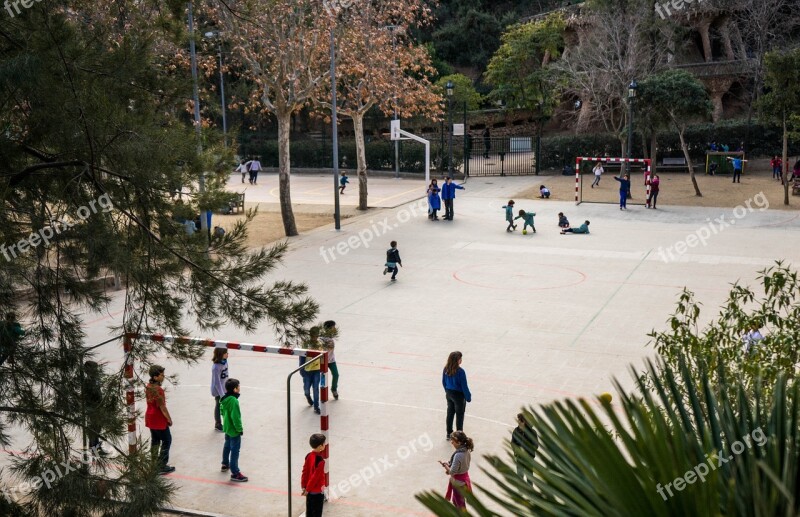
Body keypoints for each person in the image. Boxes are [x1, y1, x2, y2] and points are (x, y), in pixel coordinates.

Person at [145, 365, 175, 474]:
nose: (163, 377)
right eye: (161, 375)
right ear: (155, 377)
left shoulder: (148, 386)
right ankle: (162, 465)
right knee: (167, 440)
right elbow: (162, 407)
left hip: (150, 417)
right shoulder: (158, 390)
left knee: (155, 440)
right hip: (158, 418)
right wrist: (169, 419)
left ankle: (154, 463)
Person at [220, 378, 248, 482]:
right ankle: (235, 473)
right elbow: (236, 417)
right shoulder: (234, 401)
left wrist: (226, 422)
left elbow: (222, 411)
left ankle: (224, 464)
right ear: (235, 389)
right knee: (235, 451)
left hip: (227, 427)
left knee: (227, 446)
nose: (240, 388)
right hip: (233, 430)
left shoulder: (224, 398)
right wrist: (239, 429)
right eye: (239, 387)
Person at [439, 431, 473, 511]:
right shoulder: (467, 451)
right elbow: (460, 465)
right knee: (457, 501)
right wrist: (449, 464)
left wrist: (445, 465)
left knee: (459, 504)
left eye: (453, 441)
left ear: (459, 442)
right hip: (464, 480)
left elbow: (452, 472)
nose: (451, 443)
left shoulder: (458, 455)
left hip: (458, 483)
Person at [442, 351, 471, 441]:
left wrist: (447, 391)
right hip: (458, 396)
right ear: (457, 360)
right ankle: (459, 435)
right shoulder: (460, 372)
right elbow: (464, 386)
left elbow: (443, 382)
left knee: (450, 413)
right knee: (459, 415)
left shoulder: (446, 369)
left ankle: (449, 433)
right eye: (460, 359)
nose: (461, 360)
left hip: (449, 394)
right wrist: (468, 397)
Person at [83, 360, 109, 456]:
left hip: (98, 406)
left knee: (97, 427)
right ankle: (95, 448)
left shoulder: (95, 379)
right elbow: (88, 396)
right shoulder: (88, 381)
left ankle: (94, 445)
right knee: (94, 428)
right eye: (95, 369)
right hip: (92, 407)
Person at [301, 433, 327, 517]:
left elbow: (304, 472)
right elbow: (314, 478)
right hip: (317, 492)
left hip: (308, 491)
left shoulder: (308, 456)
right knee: (317, 513)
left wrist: (304, 487)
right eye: (324, 443)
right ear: (320, 446)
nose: (325, 445)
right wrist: (308, 489)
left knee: (309, 512)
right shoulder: (321, 461)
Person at [511, 413, 538, 485]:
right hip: (519, 458)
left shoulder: (532, 433)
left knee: (529, 478)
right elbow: (513, 443)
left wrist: (527, 451)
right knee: (520, 476)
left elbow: (535, 445)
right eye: (519, 420)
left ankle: (531, 493)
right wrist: (517, 451)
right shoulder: (516, 431)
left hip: (529, 459)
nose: (519, 422)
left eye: (521, 421)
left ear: (525, 422)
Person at [303, 327, 322, 414]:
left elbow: (322, 356)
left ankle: (316, 406)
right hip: (307, 371)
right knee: (307, 390)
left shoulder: (319, 344)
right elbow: (301, 357)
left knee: (315, 389)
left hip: (316, 370)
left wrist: (322, 368)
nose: (315, 337)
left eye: (316, 335)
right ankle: (308, 397)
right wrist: (301, 369)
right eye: (314, 335)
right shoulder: (306, 344)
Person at [319, 320, 339, 400]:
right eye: (333, 327)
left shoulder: (331, 337)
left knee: (336, 374)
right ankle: (323, 392)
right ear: (329, 328)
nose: (335, 329)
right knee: (323, 377)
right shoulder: (321, 338)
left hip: (331, 360)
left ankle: (333, 389)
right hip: (323, 361)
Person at [211, 348, 229, 431]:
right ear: (220, 354)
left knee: (226, 406)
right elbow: (217, 383)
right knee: (218, 405)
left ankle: (227, 422)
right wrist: (222, 395)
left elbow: (226, 375)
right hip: (218, 390)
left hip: (225, 388)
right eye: (226, 353)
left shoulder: (225, 362)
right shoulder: (216, 367)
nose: (227, 354)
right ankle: (218, 423)